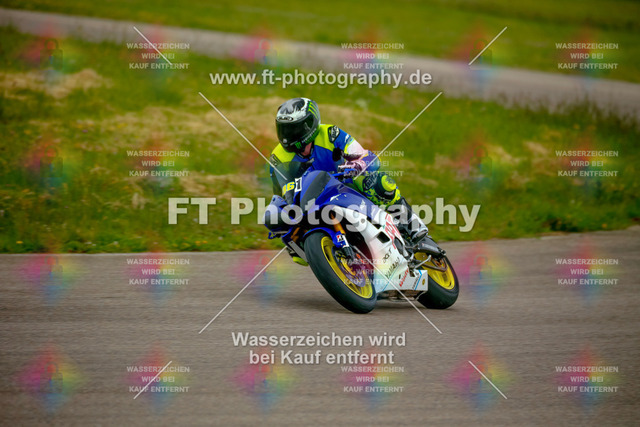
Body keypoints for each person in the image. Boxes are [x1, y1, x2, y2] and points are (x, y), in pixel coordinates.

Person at [267, 97, 430, 260]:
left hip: (344, 186)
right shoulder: (277, 158)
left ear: (310, 124)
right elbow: (280, 197)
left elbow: (369, 157)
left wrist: (358, 164)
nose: (287, 137)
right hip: (311, 205)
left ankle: (416, 228)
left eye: (294, 129)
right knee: (294, 248)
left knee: (378, 183)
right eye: (284, 130)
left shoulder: (330, 134)